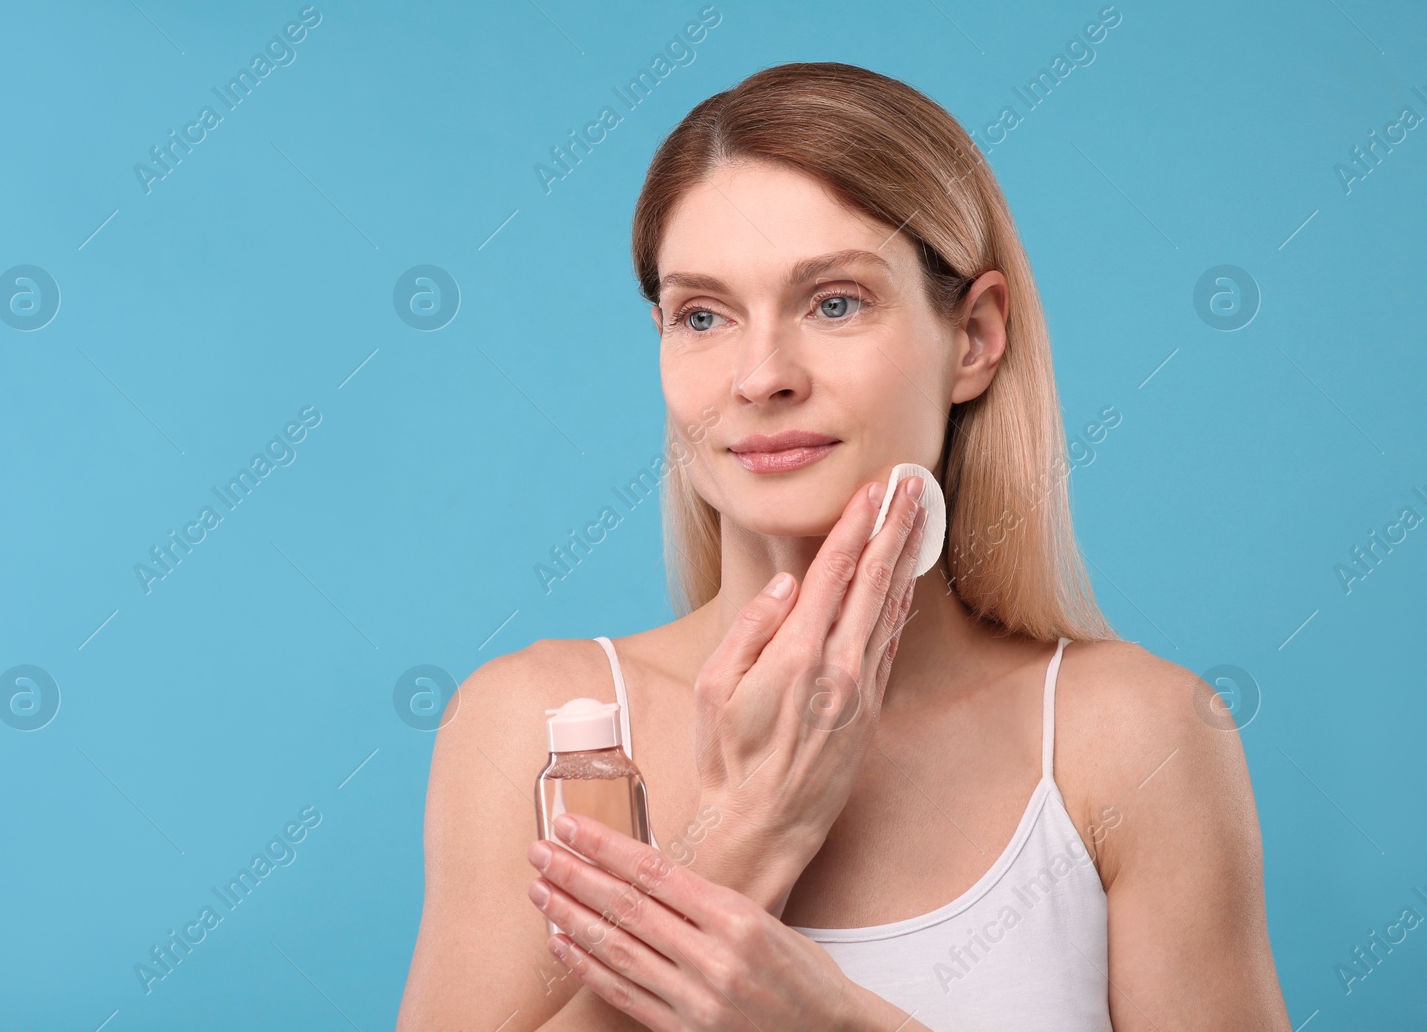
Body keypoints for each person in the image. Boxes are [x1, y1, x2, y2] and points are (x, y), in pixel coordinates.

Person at [399, 62, 1290, 1031]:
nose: (761, 374)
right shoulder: (543, 727)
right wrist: (749, 832)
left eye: (833, 301)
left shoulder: (1138, 735)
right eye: (703, 314)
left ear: (976, 337)